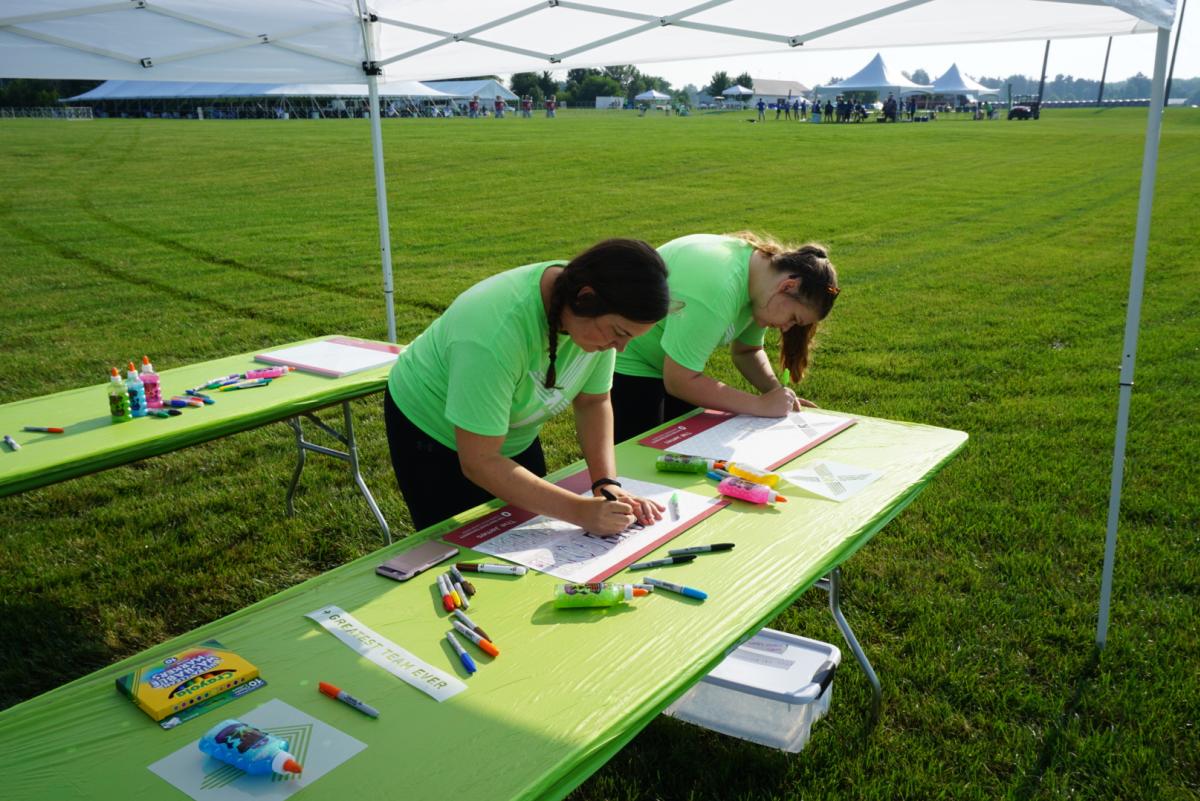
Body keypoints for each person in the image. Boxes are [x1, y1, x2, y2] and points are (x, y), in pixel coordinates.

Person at [385, 239, 671, 534]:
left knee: (528, 532)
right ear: (586, 297)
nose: (620, 348)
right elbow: (479, 460)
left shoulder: (589, 309)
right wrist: (578, 510)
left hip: (508, 433)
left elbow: (593, 402)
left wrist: (605, 483)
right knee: (455, 547)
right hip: (432, 430)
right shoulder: (492, 334)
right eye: (619, 333)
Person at [610, 232, 840, 445]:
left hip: (668, 362)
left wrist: (774, 392)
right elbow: (680, 380)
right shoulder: (718, 288)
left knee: (686, 447)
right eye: (793, 318)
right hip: (628, 355)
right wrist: (758, 405)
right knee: (637, 456)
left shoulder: (762, 284)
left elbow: (747, 351)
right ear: (788, 286)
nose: (787, 328)